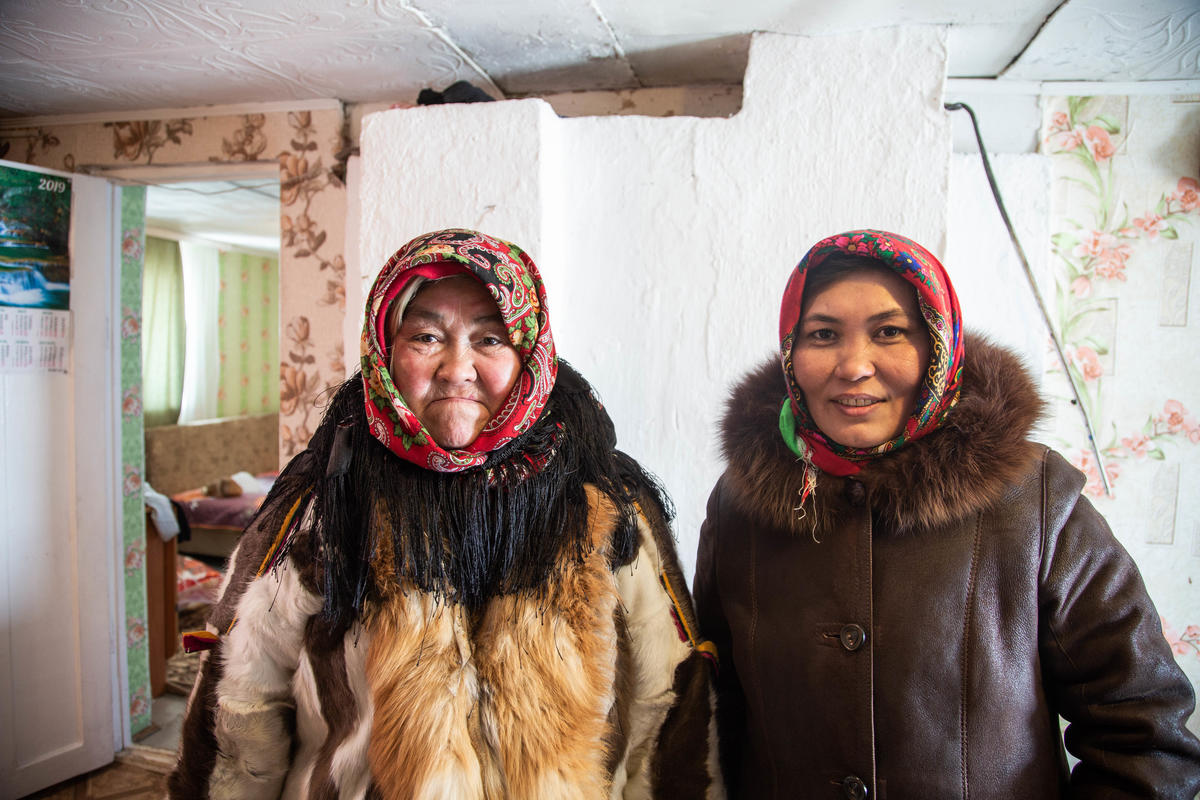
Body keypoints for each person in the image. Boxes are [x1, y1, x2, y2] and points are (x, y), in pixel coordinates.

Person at [169, 228, 721, 799]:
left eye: (490, 338)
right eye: (427, 337)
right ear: (385, 349)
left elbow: (667, 710)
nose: (458, 368)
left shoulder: (606, 502)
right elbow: (239, 708)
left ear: (529, 351)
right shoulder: (322, 504)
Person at [693, 229, 1200, 798]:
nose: (854, 365)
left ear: (937, 343)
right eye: (823, 335)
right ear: (792, 351)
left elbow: (1143, 732)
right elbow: (715, 711)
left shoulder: (1034, 501)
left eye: (889, 332)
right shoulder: (742, 508)